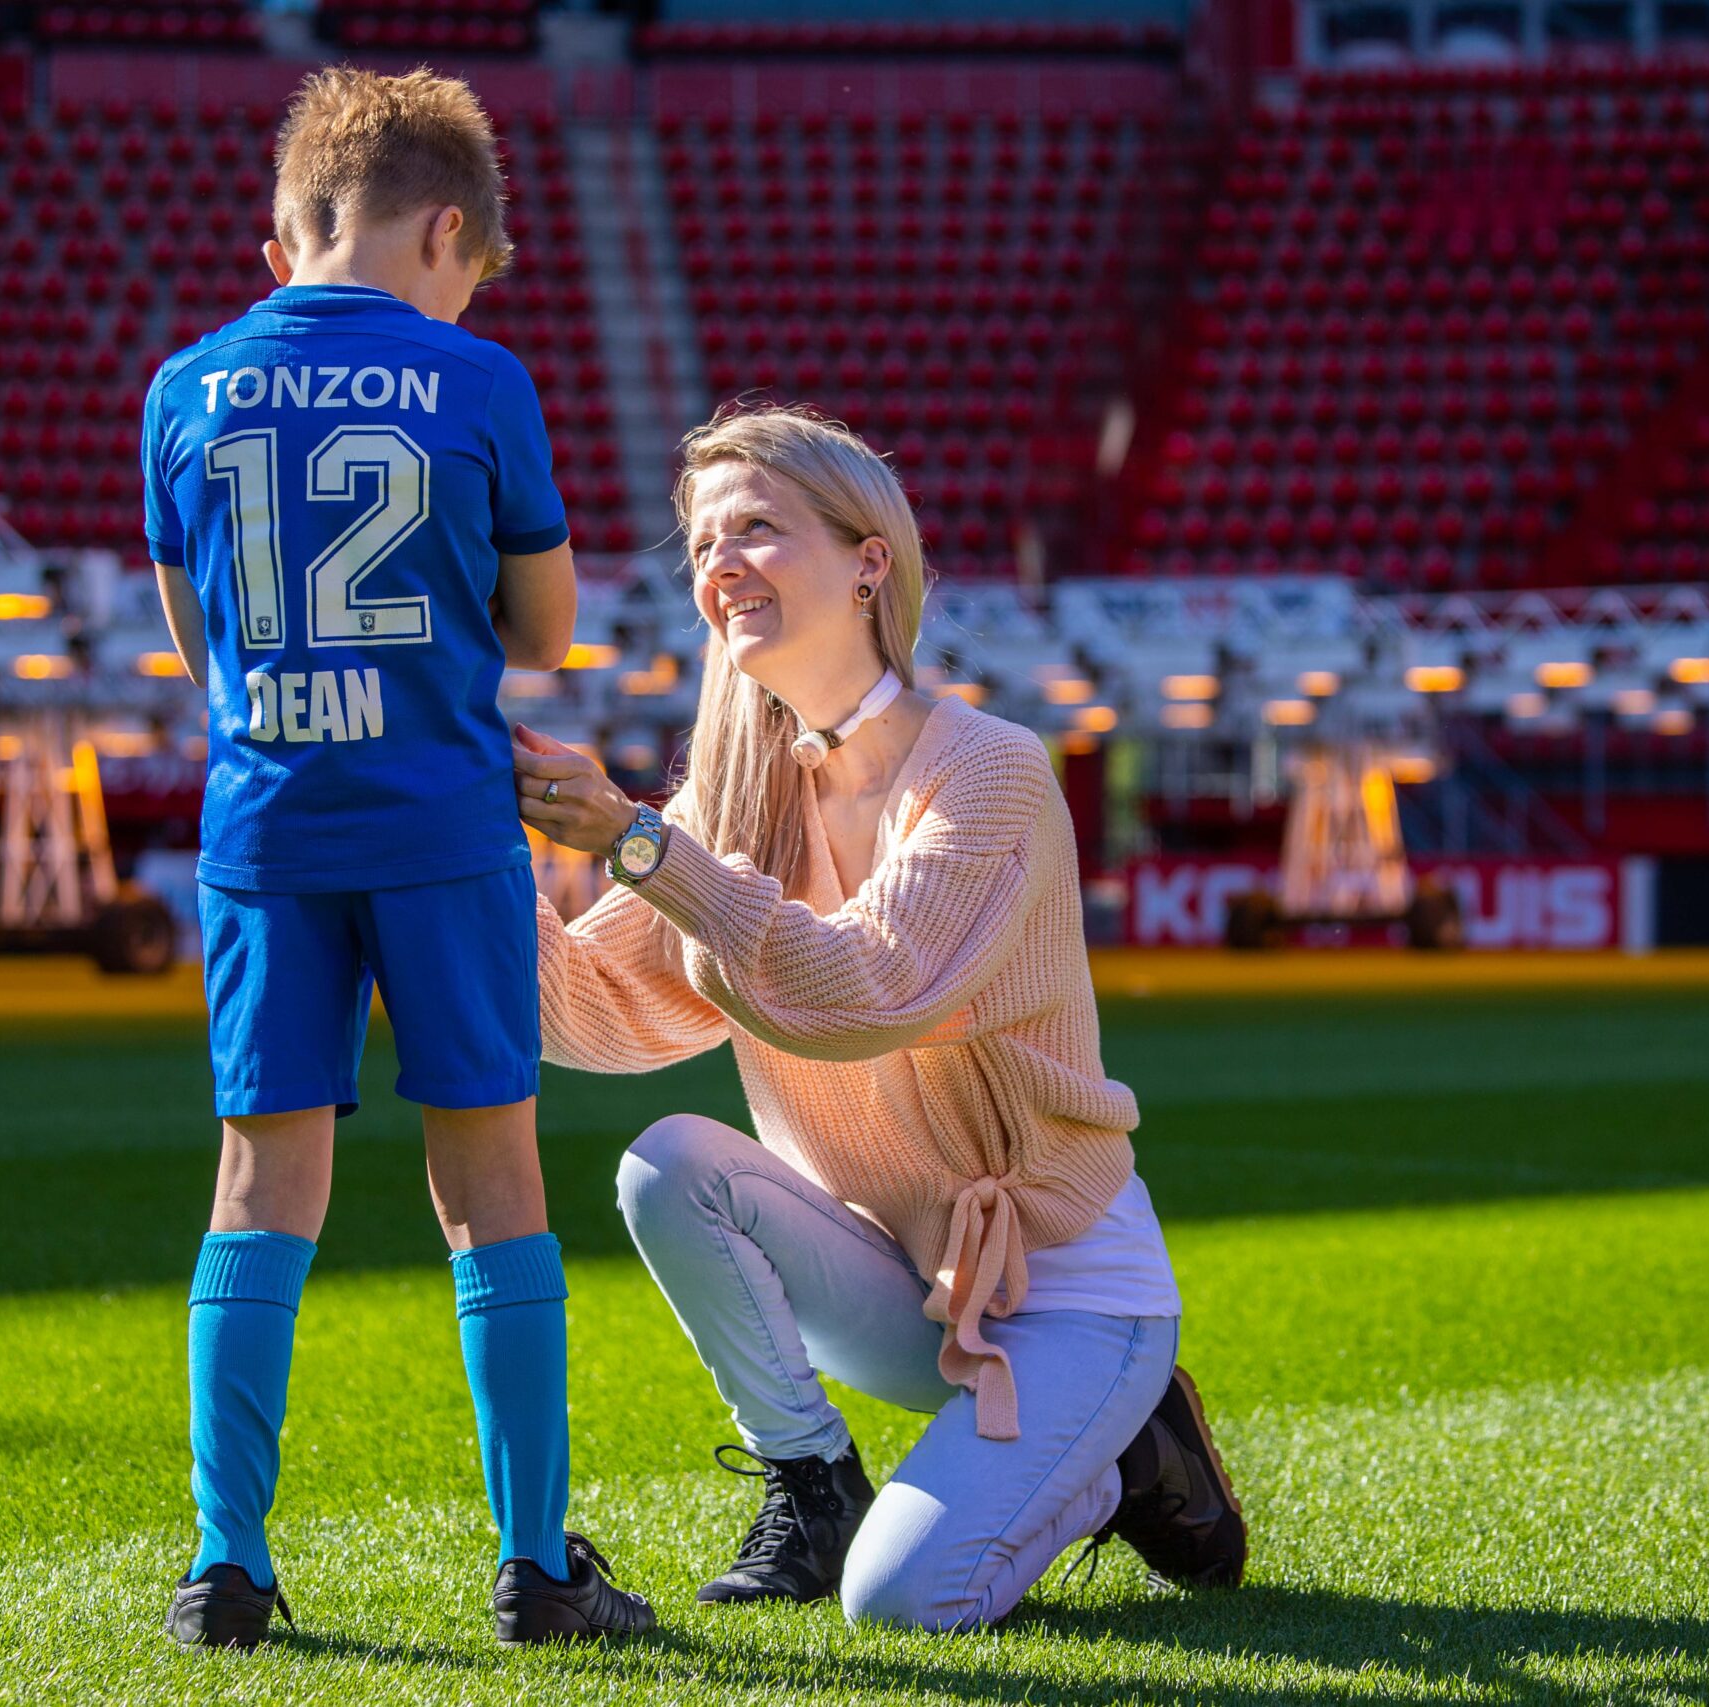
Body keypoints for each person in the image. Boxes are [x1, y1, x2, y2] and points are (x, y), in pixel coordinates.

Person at [511, 406, 1246, 1632]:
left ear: (869, 560)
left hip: (1071, 1290)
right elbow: (597, 1017)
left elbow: (870, 991)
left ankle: (1118, 1459)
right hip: (899, 1284)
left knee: (905, 1605)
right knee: (667, 1163)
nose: (720, 564)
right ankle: (813, 1480)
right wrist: (474, 856)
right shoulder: (733, 797)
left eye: (757, 528)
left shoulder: (991, 768)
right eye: (702, 543)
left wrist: (640, 843)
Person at [140, 67, 652, 1650]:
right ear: (449, 228)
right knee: (491, 1180)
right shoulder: (479, 379)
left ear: (288, 226)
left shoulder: (184, 387)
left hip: (267, 838)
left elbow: (193, 635)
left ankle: (228, 1562)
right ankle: (531, 1564)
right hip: (441, 834)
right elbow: (547, 633)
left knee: (257, 1183)